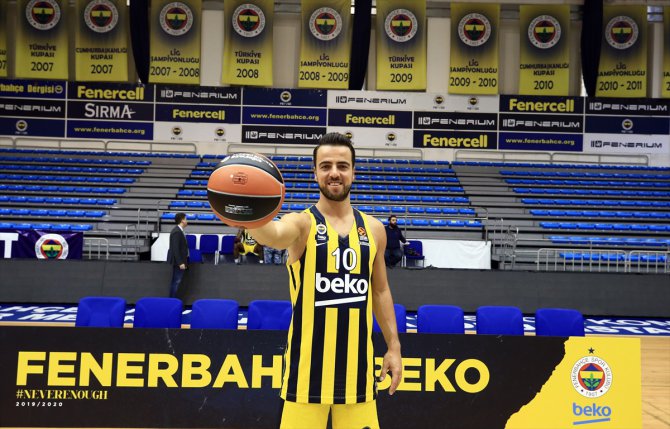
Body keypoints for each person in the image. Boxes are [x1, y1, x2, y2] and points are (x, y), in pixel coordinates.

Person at [247, 133, 402, 429]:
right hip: (305, 377)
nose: (334, 172)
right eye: (326, 165)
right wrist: (249, 214)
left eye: (342, 166)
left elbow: (381, 291)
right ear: (315, 172)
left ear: (353, 172)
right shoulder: (301, 223)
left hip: (358, 377)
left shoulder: (374, 229)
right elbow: (273, 236)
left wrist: (393, 346)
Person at [167, 212, 188, 298]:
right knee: (176, 282)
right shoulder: (177, 232)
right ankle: (172, 301)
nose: (187, 221)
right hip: (178, 262)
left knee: (176, 281)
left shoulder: (179, 231)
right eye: (186, 219)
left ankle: (172, 300)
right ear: (182, 220)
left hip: (180, 261)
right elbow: (175, 249)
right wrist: (180, 263)